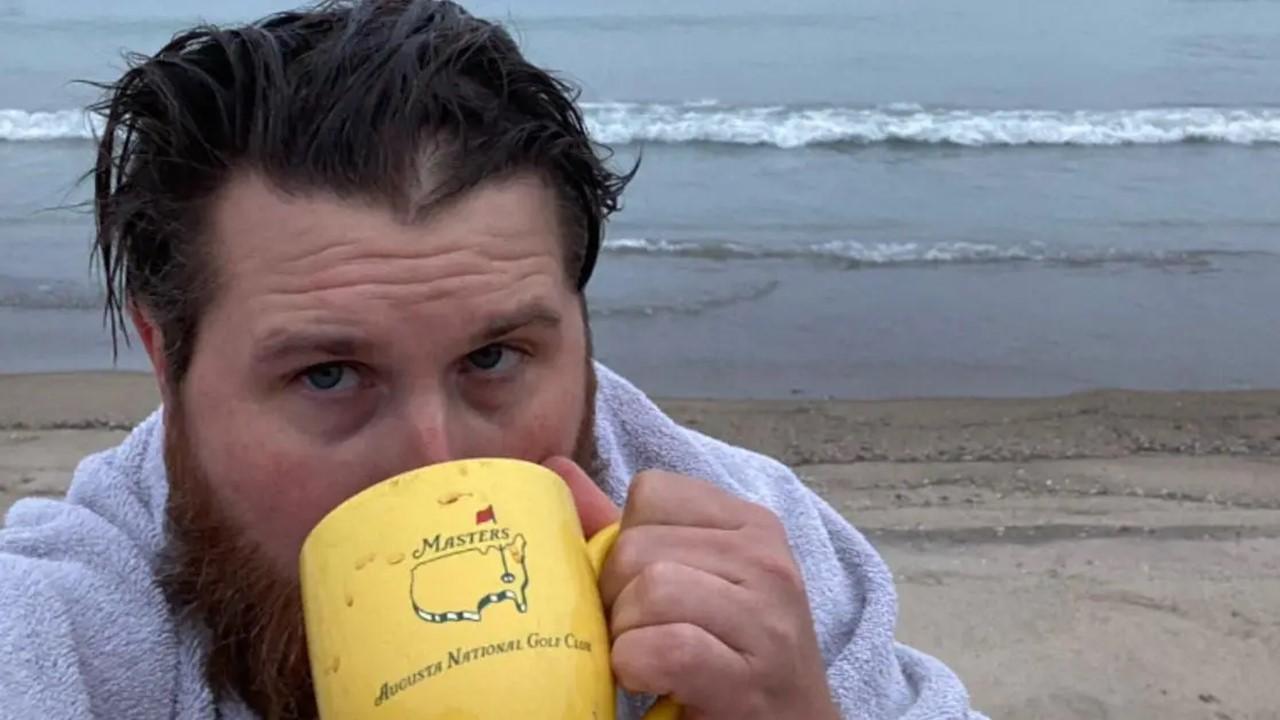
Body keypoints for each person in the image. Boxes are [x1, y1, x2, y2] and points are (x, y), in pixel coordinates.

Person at [0, 2, 982, 718]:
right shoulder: (63, 622)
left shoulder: (753, 546)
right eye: (328, 375)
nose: (437, 466)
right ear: (165, 359)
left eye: (495, 357)